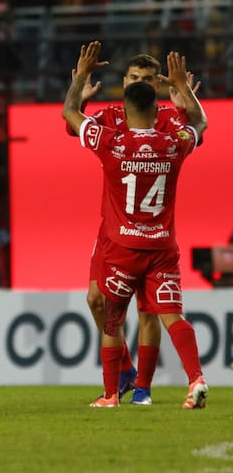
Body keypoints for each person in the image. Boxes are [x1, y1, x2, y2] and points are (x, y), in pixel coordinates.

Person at [63, 41, 208, 409]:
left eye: (144, 78)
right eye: (132, 76)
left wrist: (78, 82)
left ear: (157, 84)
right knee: (97, 301)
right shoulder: (167, 132)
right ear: (124, 80)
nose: (136, 82)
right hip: (130, 233)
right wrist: (188, 94)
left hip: (125, 238)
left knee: (132, 312)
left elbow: (71, 118)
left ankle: (136, 388)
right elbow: (200, 125)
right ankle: (136, 373)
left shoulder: (130, 129)